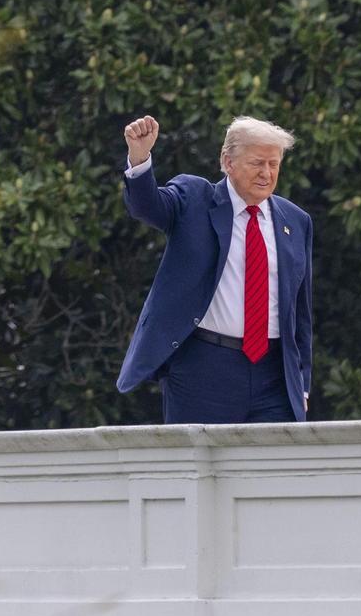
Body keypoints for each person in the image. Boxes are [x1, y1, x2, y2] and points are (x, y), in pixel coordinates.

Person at [117, 115, 313, 423]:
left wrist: (302, 384)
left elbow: (300, 313)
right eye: (257, 163)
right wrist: (140, 158)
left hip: (274, 376)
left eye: (274, 164)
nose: (266, 173)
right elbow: (147, 206)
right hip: (203, 369)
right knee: (197, 469)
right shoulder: (194, 198)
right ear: (228, 161)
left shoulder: (296, 221)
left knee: (274, 468)